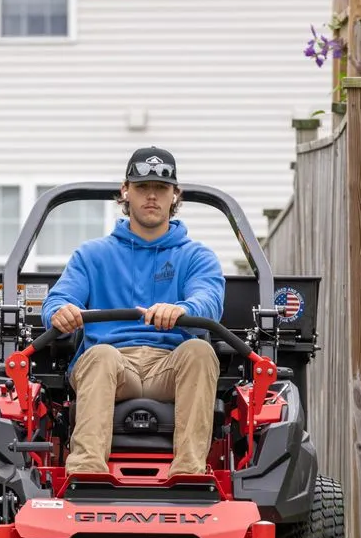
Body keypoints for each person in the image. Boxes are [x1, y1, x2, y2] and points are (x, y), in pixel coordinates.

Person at [41, 146, 225, 475]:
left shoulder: (197, 257)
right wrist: (61, 311)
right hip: (110, 363)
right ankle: (86, 471)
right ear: (126, 191)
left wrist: (182, 309)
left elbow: (208, 300)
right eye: (142, 188)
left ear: (175, 194)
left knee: (200, 351)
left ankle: (189, 473)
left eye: (161, 188)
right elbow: (59, 299)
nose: (151, 196)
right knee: (100, 356)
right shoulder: (91, 255)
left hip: (169, 366)